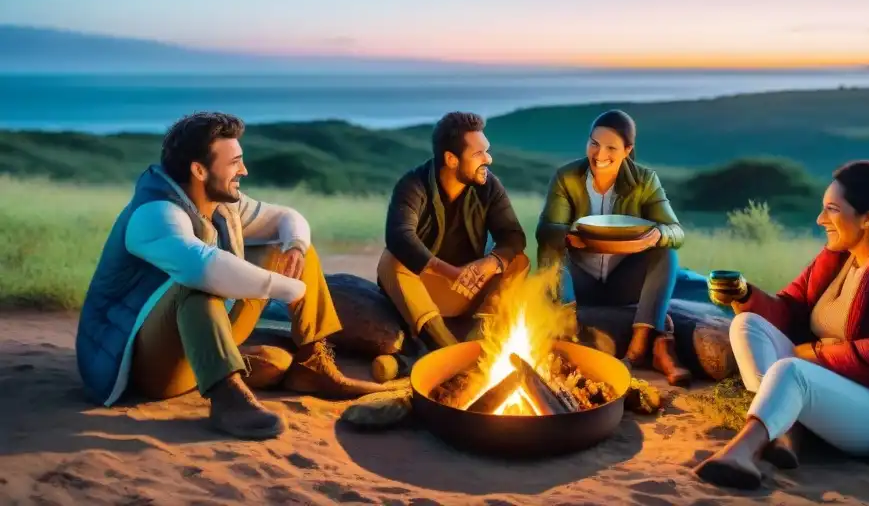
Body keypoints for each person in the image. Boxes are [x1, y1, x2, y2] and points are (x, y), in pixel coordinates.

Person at [76, 112, 396, 441]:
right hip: (142, 369)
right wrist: (288, 289)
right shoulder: (154, 214)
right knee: (196, 284)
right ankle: (227, 394)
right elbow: (202, 267)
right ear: (199, 170)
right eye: (234, 163)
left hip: (192, 347)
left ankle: (313, 367)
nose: (244, 170)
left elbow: (287, 218)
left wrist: (296, 248)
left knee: (290, 249)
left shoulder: (222, 204)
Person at [695, 160, 869, 490]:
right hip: (837, 387)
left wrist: (814, 354)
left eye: (832, 210)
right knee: (747, 325)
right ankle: (788, 430)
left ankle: (741, 453)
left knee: (791, 370)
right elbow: (790, 311)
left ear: (867, 218)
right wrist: (744, 294)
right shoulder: (838, 257)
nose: (821, 220)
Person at [535, 109, 690, 385]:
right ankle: (570, 335)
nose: (599, 154)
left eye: (611, 147)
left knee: (667, 254)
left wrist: (654, 236)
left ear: (628, 150)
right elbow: (546, 230)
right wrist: (571, 238)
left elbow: (676, 232)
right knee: (552, 253)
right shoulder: (567, 177)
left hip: (622, 281)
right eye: (594, 143)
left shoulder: (645, 181)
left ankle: (638, 349)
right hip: (580, 281)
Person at [377, 111, 530, 356]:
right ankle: (446, 349)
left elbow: (513, 236)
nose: (488, 160)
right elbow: (399, 235)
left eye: (486, 151)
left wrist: (489, 264)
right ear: (451, 159)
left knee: (518, 261)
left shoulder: (489, 185)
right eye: (478, 154)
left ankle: (482, 334)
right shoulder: (413, 184)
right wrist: (449, 272)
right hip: (424, 289)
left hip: (469, 288)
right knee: (391, 261)